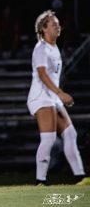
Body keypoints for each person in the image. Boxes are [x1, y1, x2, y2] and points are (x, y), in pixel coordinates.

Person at [27, 10, 89, 186]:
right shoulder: (41, 48)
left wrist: (57, 95)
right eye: (54, 24)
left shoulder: (53, 47)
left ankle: (80, 177)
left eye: (58, 24)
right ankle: (40, 180)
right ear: (44, 29)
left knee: (70, 133)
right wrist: (61, 93)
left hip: (51, 96)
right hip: (41, 96)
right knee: (49, 138)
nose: (58, 26)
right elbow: (42, 74)